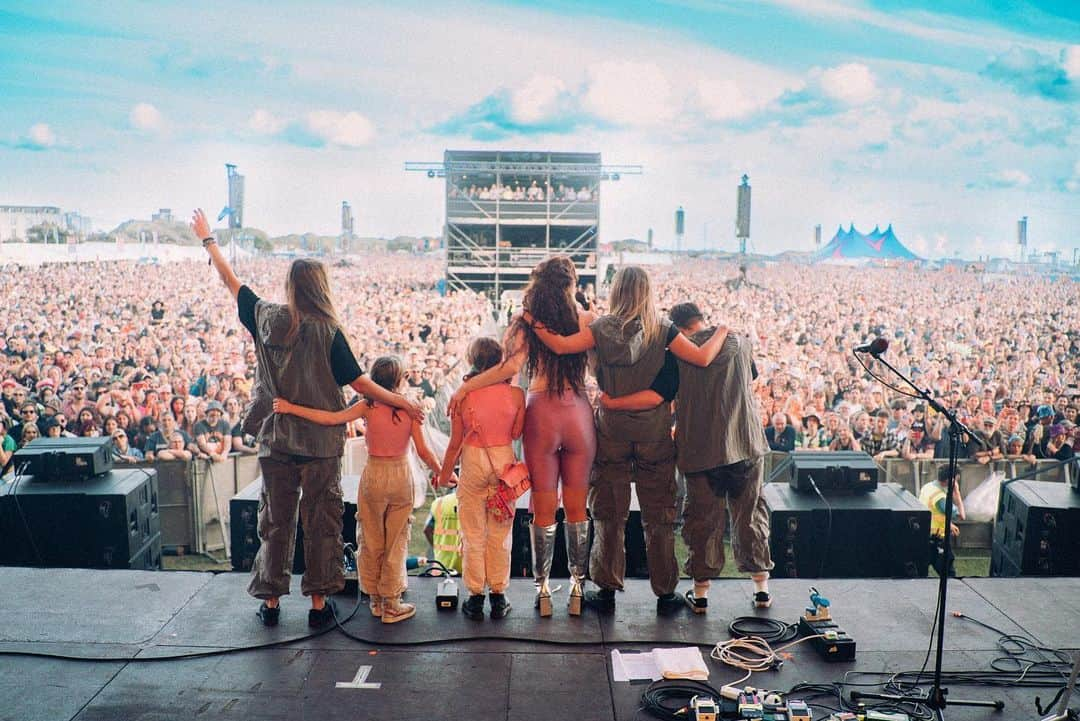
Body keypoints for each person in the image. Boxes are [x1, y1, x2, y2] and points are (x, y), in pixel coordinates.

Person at [193, 208, 422, 629]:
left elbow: (230, 281)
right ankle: (318, 605)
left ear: (290, 287)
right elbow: (361, 385)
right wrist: (402, 402)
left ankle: (272, 603)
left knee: (275, 522)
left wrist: (208, 240)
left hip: (275, 440)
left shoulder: (265, 317)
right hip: (319, 445)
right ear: (321, 288)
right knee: (322, 523)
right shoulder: (328, 330)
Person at [527, 266, 728, 615]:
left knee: (608, 512)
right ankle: (665, 592)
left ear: (616, 290)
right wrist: (723, 329)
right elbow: (703, 357)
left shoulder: (600, 329)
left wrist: (531, 319)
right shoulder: (663, 330)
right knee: (659, 515)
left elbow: (560, 347)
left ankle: (605, 588)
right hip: (653, 432)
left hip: (612, 431)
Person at [598, 302, 773, 611]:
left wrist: (613, 403)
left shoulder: (674, 355)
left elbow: (657, 396)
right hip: (745, 442)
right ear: (701, 319)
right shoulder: (740, 342)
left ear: (678, 327)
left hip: (699, 449)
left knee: (702, 521)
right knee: (750, 515)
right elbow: (750, 379)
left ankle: (702, 594)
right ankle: (761, 589)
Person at [449, 257, 598, 618]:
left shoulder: (524, 323)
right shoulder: (587, 319)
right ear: (570, 284)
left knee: (543, 509)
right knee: (577, 509)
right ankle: (577, 590)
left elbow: (510, 368)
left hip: (542, 413)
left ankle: (543, 591)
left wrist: (466, 388)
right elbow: (594, 365)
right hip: (578, 410)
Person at [274, 356, 442, 624]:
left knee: (371, 538)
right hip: (400, 476)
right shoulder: (411, 410)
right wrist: (444, 473)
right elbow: (423, 452)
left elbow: (330, 419)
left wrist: (290, 407)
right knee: (396, 541)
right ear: (398, 380)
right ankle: (392, 603)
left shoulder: (367, 406)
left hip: (374, 475)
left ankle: (375, 600)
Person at [437, 337, 525, 620]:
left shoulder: (463, 395)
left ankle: (475, 598)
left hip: (473, 460)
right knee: (500, 533)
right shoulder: (516, 395)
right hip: (502, 461)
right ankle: (499, 597)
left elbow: (454, 443)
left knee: (473, 533)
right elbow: (515, 433)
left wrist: (443, 473)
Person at [919, 465, 966, 577]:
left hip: (923, 536)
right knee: (949, 575)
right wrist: (957, 494)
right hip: (938, 539)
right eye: (957, 480)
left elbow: (932, 511)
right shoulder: (941, 498)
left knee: (920, 573)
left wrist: (948, 524)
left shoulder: (928, 487)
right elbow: (962, 515)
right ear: (951, 480)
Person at [423, 488, 463, 576]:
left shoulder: (439, 503)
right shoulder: (476, 503)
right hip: (467, 567)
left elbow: (427, 530)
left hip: (441, 566)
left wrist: (437, 548)